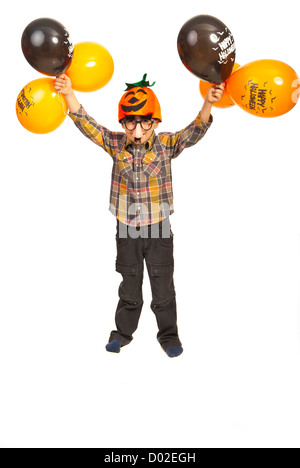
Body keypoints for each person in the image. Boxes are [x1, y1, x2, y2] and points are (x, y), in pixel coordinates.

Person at [54, 73, 225, 357]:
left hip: (158, 227)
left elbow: (195, 131)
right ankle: (122, 334)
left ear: (156, 122)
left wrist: (208, 102)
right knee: (129, 282)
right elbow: (87, 124)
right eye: (130, 122)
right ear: (123, 122)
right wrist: (69, 93)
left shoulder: (167, 144)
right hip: (127, 227)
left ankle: (169, 336)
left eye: (145, 122)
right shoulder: (115, 143)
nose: (137, 131)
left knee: (162, 284)